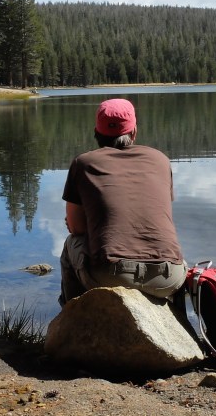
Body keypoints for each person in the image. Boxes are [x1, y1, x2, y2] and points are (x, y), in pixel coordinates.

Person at [59, 98, 186, 305]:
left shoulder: (83, 163)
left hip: (112, 274)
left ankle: (73, 319)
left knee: (71, 245)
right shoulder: (160, 159)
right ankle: (182, 327)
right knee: (176, 256)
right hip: (168, 276)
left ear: (96, 132)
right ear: (134, 131)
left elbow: (76, 228)